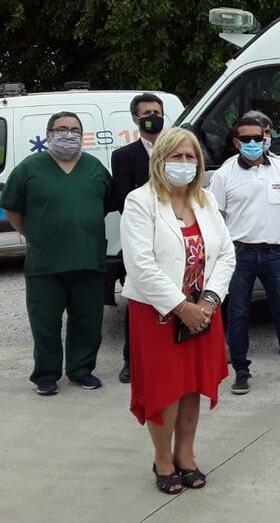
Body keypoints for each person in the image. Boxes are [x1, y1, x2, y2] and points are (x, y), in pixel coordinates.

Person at [120, 127, 236, 494]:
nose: (184, 163)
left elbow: (226, 255)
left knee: (192, 386)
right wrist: (180, 306)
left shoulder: (206, 201)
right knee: (166, 389)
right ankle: (163, 459)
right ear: (159, 160)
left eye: (190, 157)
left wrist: (208, 302)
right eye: (176, 156)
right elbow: (140, 265)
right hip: (159, 313)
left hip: (203, 311)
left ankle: (185, 455)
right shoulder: (141, 202)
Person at [0, 111, 112, 395]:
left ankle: (81, 370)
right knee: (45, 323)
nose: (68, 134)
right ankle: (46, 375)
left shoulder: (95, 168)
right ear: (49, 133)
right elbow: (12, 207)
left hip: (89, 259)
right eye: (61, 129)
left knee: (87, 320)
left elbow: (106, 204)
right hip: (45, 262)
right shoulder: (29, 168)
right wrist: (34, 234)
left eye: (75, 130)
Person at [208, 115, 280, 395]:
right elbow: (216, 218)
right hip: (239, 254)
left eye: (258, 138)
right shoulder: (224, 174)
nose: (254, 143)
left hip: (275, 254)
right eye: (246, 139)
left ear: (265, 138)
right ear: (236, 142)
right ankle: (241, 371)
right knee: (238, 314)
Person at [112, 92, 167, 384]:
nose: (153, 118)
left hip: (173, 238)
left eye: (157, 112)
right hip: (141, 239)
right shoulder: (123, 156)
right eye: (147, 113)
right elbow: (123, 201)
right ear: (135, 119)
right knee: (138, 302)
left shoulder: (177, 150)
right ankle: (131, 361)